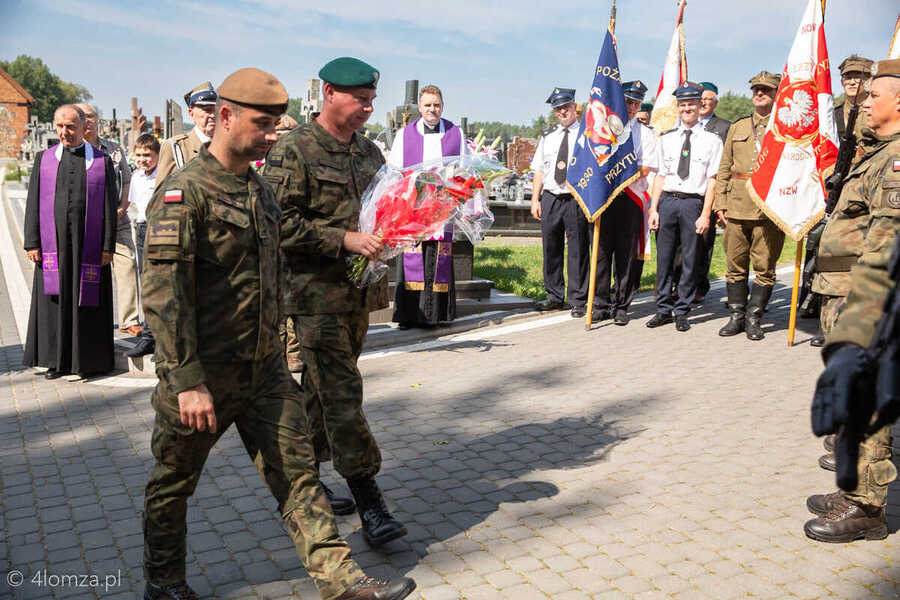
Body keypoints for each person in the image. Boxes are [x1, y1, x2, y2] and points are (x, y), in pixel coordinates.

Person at [141, 67, 415, 600]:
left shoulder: (261, 191)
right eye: (263, 124)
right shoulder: (184, 194)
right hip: (205, 374)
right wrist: (187, 380)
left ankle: (343, 583)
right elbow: (163, 296)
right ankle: (164, 581)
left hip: (265, 371)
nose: (273, 134)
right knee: (173, 484)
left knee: (298, 476)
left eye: (276, 124)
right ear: (225, 117)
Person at [262, 57, 407, 546]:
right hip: (313, 296)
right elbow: (278, 222)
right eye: (359, 98)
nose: (368, 107)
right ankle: (369, 500)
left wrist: (399, 231)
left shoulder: (369, 153)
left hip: (358, 292)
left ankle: (304, 478)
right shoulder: (294, 150)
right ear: (328, 93)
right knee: (344, 394)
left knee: (322, 393)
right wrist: (342, 239)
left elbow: (387, 209)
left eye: (371, 99)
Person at [804, 57, 900, 544]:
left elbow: (887, 238)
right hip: (841, 292)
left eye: (873, 96)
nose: (863, 102)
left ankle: (868, 509)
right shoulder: (874, 152)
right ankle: (853, 487)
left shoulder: (897, 160)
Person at [23, 104, 117, 379]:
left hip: (88, 246)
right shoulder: (45, 159)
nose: (65, 132)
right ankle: (56, 361)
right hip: (54, 248)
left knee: (86, 302)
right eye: (61, 126)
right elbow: (33, 203)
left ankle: (87, 362)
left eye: (71, 127)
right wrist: (32, 242)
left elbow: (110, 207)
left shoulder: (101, 161)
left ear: (84, 127)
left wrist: (107, 246)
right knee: (55, 302)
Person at [807, 54, 875, 347]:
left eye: (859, 76)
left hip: (864, 196)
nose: (852, 81)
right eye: (848, 76)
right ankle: (826, 320)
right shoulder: (830, 115)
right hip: (829, 194)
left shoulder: (875, 115)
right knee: (827, 259)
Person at [387, 84, 466, 329]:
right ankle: (410, 315)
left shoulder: (455, 133)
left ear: (442, 106)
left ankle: (437, 314)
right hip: (415, 207)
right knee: (413, 257)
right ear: (419, 107)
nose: (432, 109)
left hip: (443, 207)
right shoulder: (405, 135)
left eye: (437, 105)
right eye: (428, 105)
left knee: (438, 256)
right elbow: (395, 170)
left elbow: (463, 168)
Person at [714, 71, 785, 341]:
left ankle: (755, 318)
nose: (759, 93)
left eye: (765, 90)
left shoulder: (783, 128)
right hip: (736, 205)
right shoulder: (739, 126)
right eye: (756, 89)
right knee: (735, 265)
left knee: (764, 267)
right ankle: (736, 316)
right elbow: (724, 168)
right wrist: (720, 202)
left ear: (776, 93)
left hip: (768, 208)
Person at [647, 81, 723, 332]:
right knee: (664, 258)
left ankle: (682, 310)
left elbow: (712, 180)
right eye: (683, 104)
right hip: (668, 201)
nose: (687, 108)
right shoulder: (666, 138)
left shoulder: (712, 141)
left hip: (693, 203)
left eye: (691, 103)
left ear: (700, 105)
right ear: (678, 107)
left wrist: (705, 214)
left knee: (690, 259)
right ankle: (663, 309)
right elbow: (659, 176)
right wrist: (654, 209)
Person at [594, 80, 659, 325]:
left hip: (631, 199)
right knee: (601, 253)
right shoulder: (604, 128)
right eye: (628, 102)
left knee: (626, 255)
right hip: (607, 198)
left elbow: (646, 167)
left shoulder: (646, 134)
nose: (631, 107)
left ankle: (621, 304)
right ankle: (600, 303)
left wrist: (620, 172)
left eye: (636, 103)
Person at [76, 102, 140, 336]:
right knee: (87, 270)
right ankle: (85, 318)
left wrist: (124, 205)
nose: (87, 121)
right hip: (87, 221)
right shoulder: (73, 150)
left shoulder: (112, 148)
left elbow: (125, 179)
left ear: (97, 120)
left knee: (128, 264)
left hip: (116, 219)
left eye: (90, 116)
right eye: (82, 117)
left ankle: (129, 319)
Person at [531, 87, 595, 319]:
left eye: (566, 107)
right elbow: (539, 170)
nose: (563, 111)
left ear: (575, 107)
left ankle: (578, 299)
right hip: (551, 197)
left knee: (578, 249)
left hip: (575, 198)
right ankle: (554, 295)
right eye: (558, 109)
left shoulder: (587, 136)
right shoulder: (548, 137)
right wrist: (535, 199)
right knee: (551, 247)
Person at [694, 82, 732, 303]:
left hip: (711, 192)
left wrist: (720, 200)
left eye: (708, 99)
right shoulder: (685, 125)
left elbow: (725, 165)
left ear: (715, 103)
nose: (704, 102)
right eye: (701, 99)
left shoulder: (724, 127)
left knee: (704, 243)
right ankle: (680, 284)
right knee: (683, 244)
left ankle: (700, 286)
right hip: (689, 191)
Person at [155, 81, 217, 185]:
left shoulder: (228, 147)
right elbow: (161, 195)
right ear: (191, 113)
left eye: (216, 110)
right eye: (207, 110)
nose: (213, 115)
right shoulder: (176, 147)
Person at [127, 133, 159, 270]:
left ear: (158, 154)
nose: (142, 159)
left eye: (147, 155)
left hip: (158, 227)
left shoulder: (162, 176)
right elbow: (133, 205)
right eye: (138, 155)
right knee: (143, 269)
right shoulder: (136, 177)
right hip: (142, 227)